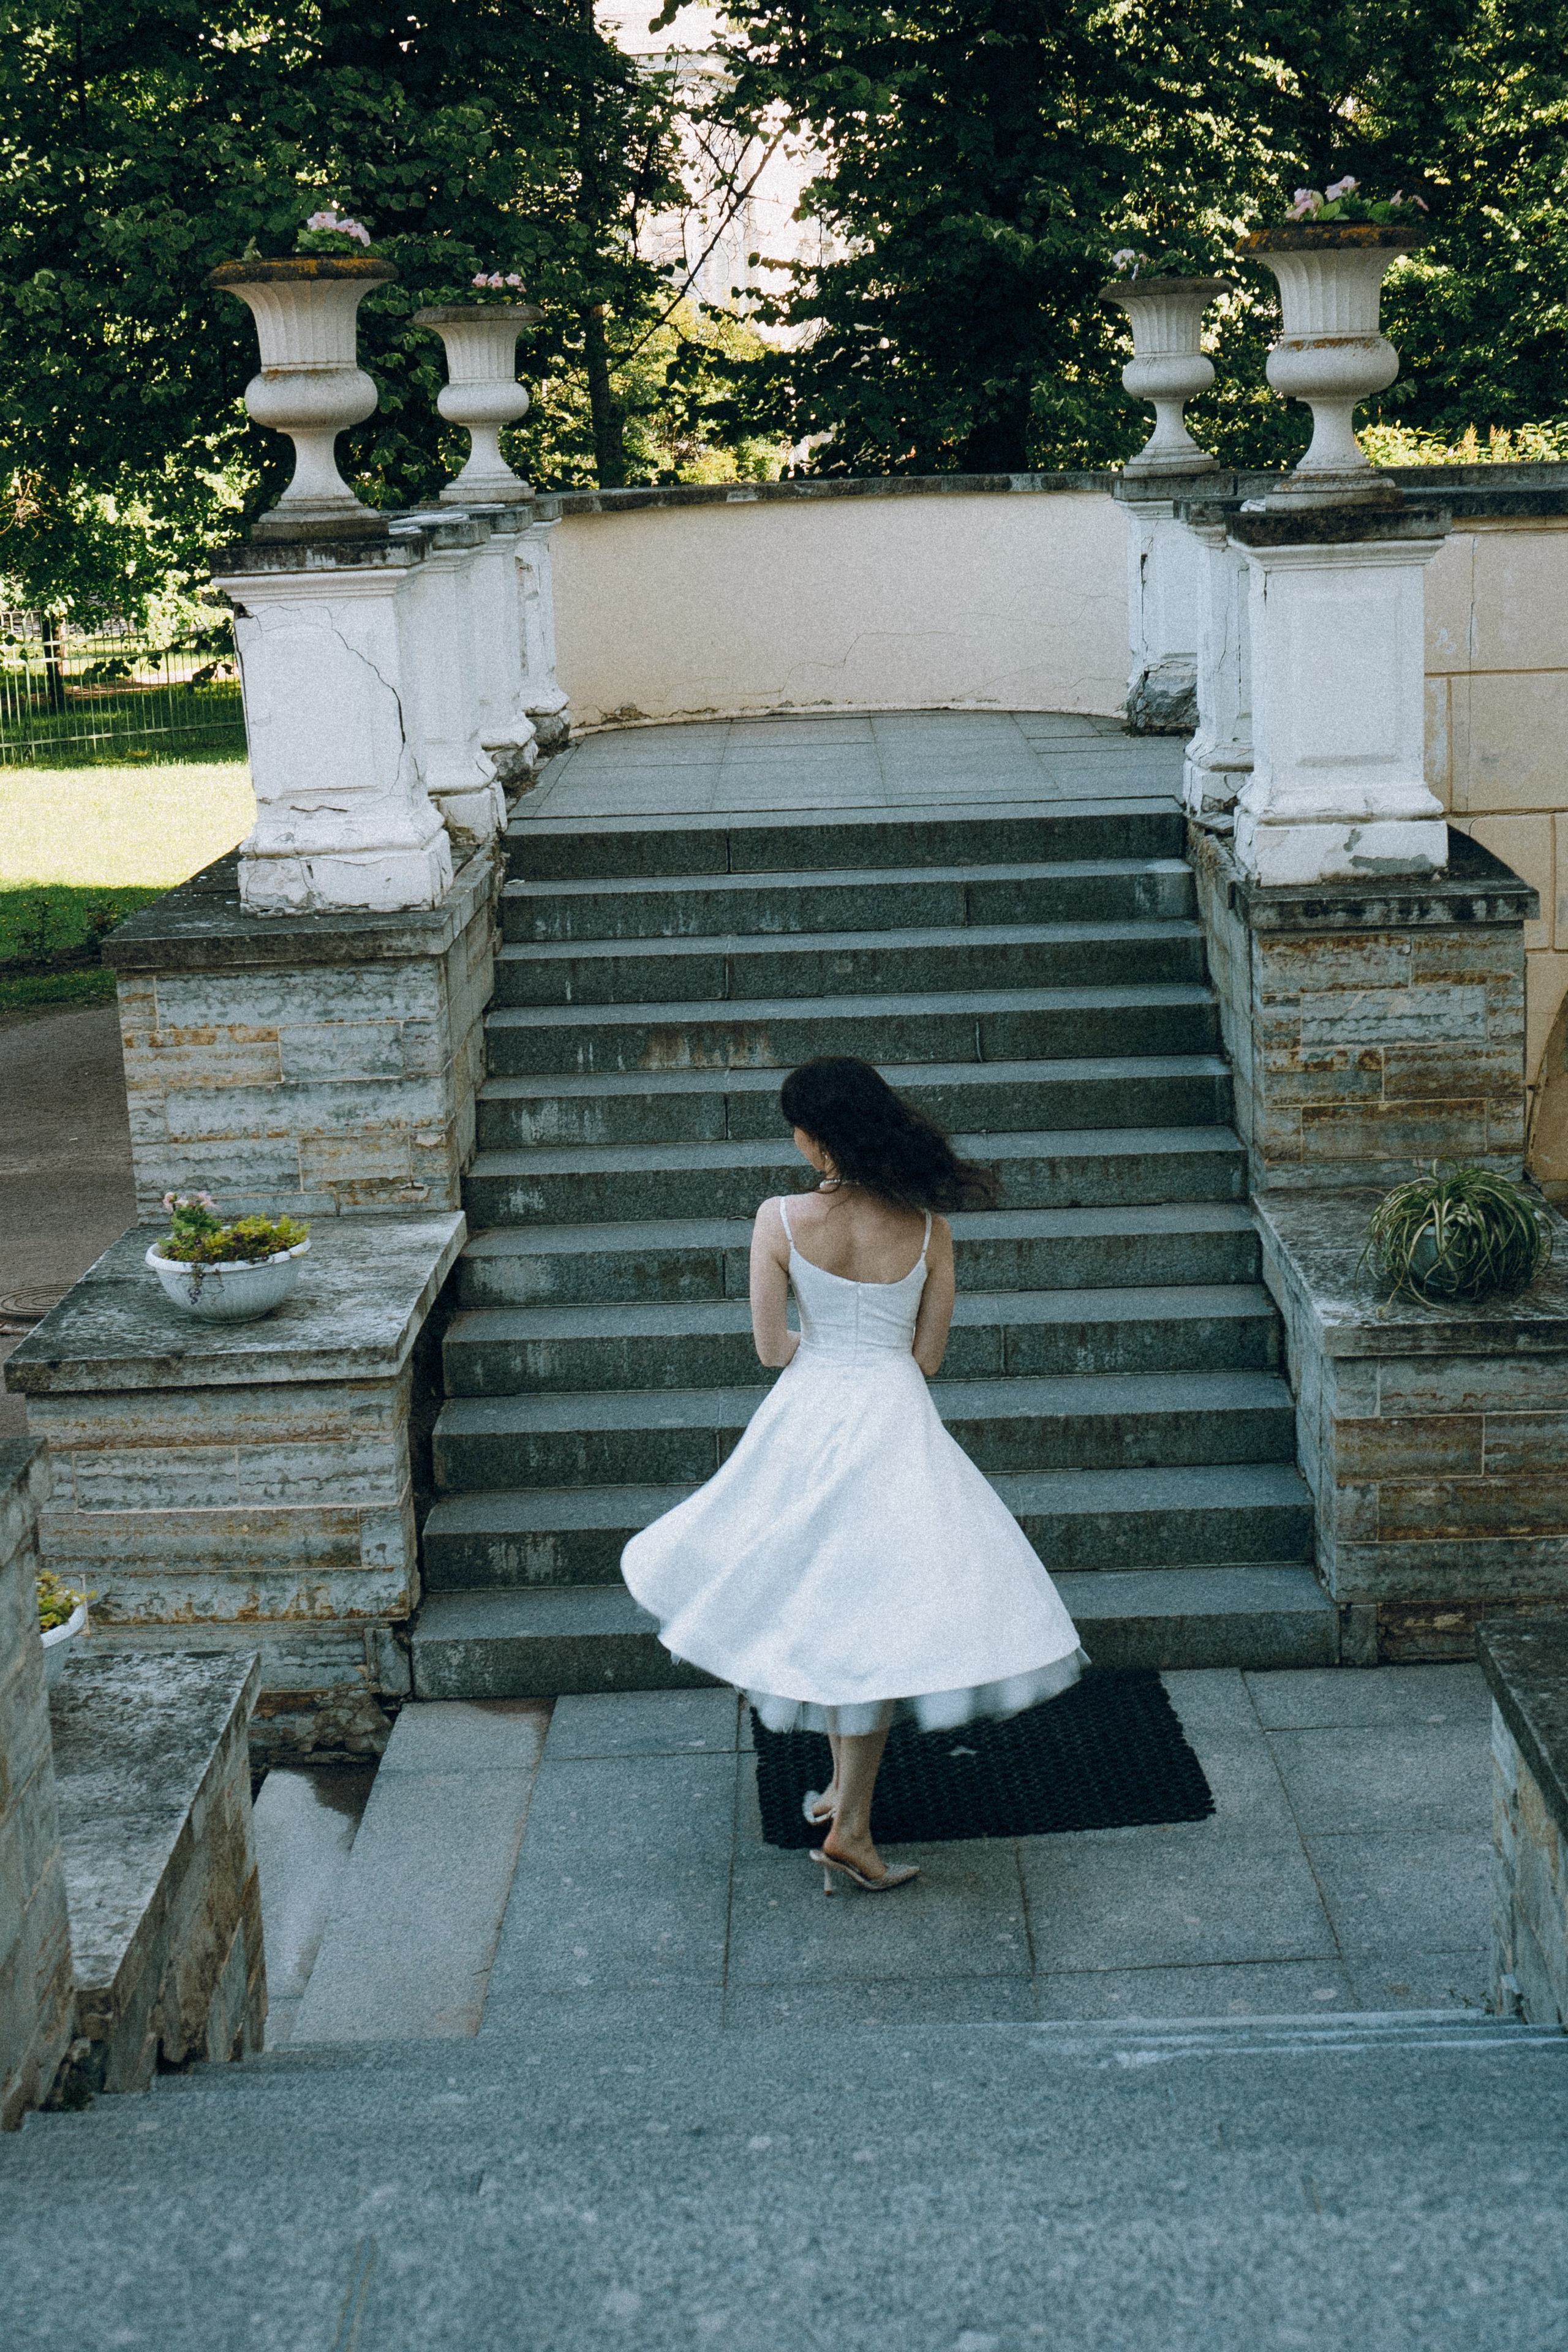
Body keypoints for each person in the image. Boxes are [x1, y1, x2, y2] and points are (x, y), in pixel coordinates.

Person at [621, 1055, 1087, 1894]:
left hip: (809, 1417)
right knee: (871, 1609)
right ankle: (846, 1806)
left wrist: (825, 1358)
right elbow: (929, 1358)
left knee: (836, 1605)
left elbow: (770, 1350)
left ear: (816, 1138)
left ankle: (852, 1820)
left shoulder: (780, 1220)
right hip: (894, 1420)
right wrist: (872, 1363)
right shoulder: (931, 1229)